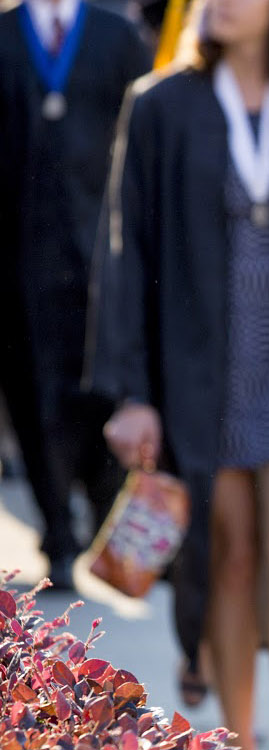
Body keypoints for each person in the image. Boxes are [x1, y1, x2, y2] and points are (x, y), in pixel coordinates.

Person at [86, 0, 269, 743]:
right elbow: (125, 250)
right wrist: (131, 392)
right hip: (203, 363)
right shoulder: (160, 104)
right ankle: (239, 737)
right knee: (231, 556)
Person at [0, 0, 150, 591]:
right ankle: (57, 532)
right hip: (19, 259)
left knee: (104, 392)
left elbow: (145, 141)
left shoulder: (117, 36)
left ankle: (98, 517)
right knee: (33, 397)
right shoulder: (4, 37)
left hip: (103, 254)